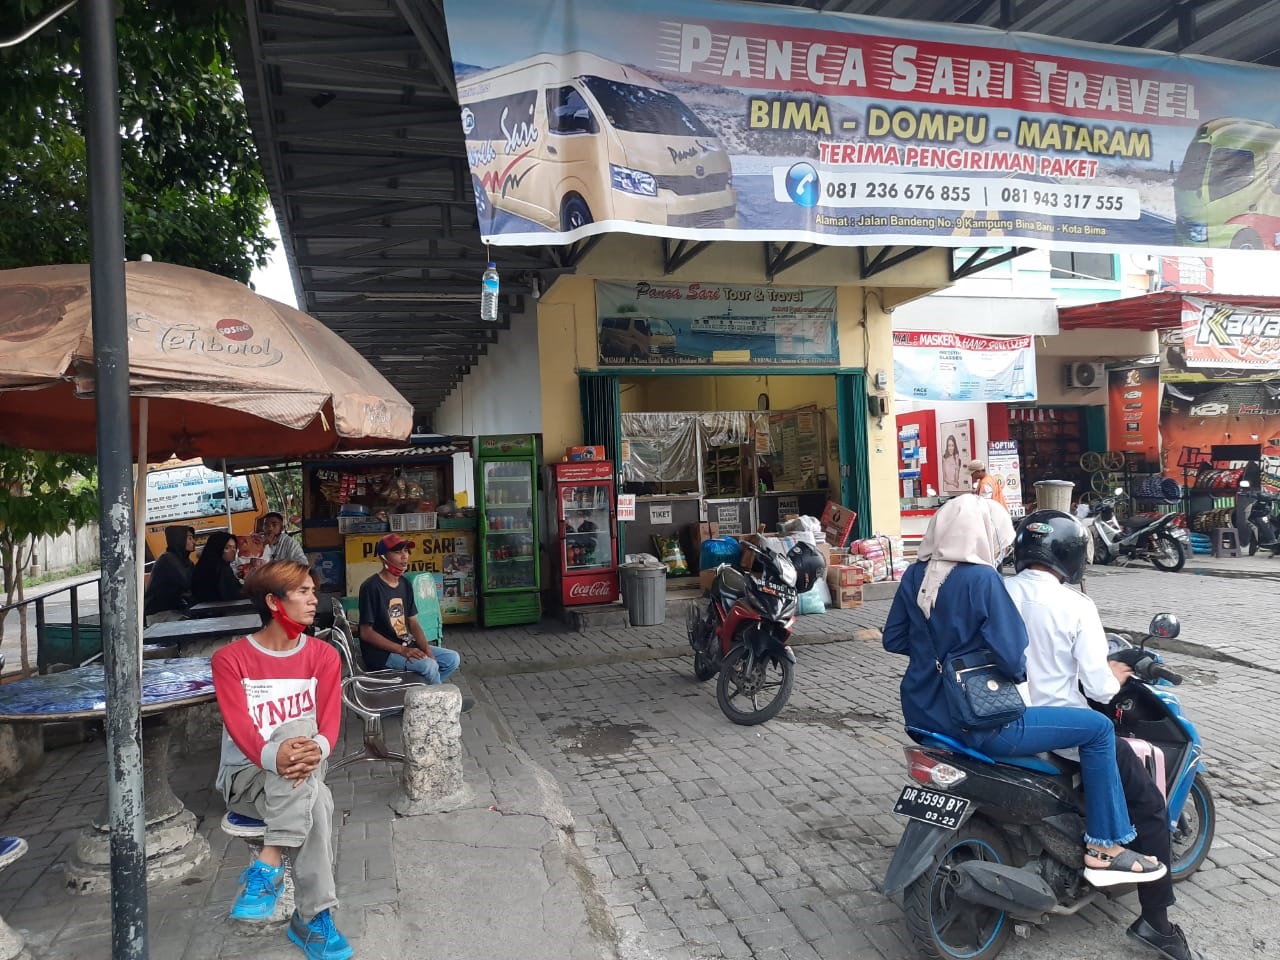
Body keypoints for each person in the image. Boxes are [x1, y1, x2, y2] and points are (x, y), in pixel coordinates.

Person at [881, 494, 1165, 887]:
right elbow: (1013, 657)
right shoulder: (984, 579)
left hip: (924, 714)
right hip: (981, 719)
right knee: (1099, 730)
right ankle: (1105, 847)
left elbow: (894, 639)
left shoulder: (915, 575)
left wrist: (940, 656)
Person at [1006, 511, 1202, 960]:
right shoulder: (1076, 605)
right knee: (1149, 804)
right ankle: (1156, 922)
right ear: (1071, 555)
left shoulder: (997, 592)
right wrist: (1115, 672)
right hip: (1062, 732)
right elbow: (1097, 688)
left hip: (1004, 719)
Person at [211, 560, 352, 960]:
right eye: (303, 592)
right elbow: (241, 728)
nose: (314, 600)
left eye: (313, 591)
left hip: (305, 768)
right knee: (318, 799)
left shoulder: (324, 656)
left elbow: (329, 726)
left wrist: (310, 748)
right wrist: (281, 754)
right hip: (246, 780)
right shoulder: (231, 659)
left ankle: (268, 866)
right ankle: (313, 920)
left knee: (303, 735)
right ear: (274, 602)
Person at [357, 533, 462, 684]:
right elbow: (366, 633)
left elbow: (413, 622)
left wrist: (427, 650)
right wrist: (402, 650)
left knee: (452, 659)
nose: (404, 556)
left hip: (406, 645)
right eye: (397, 552)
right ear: (383, 557)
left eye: (406, 551)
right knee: (429, 666)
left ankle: (420, 691)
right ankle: (434, 696)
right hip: (382, 654)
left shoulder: (405, 584)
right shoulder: (371, 587)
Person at [143, 525, 196, 624]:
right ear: (179, 539)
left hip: (177, 609)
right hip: (161, 613)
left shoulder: (186, 561)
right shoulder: (167, 559)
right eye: (190, 538)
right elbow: (187, 583)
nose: (194, 542)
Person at [191, 531, 244, 604]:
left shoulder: (205, 564)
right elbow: (232, 594)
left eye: (234, 547)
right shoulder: (221, 568)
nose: (233, 551)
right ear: (217, 548)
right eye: (227, 548)